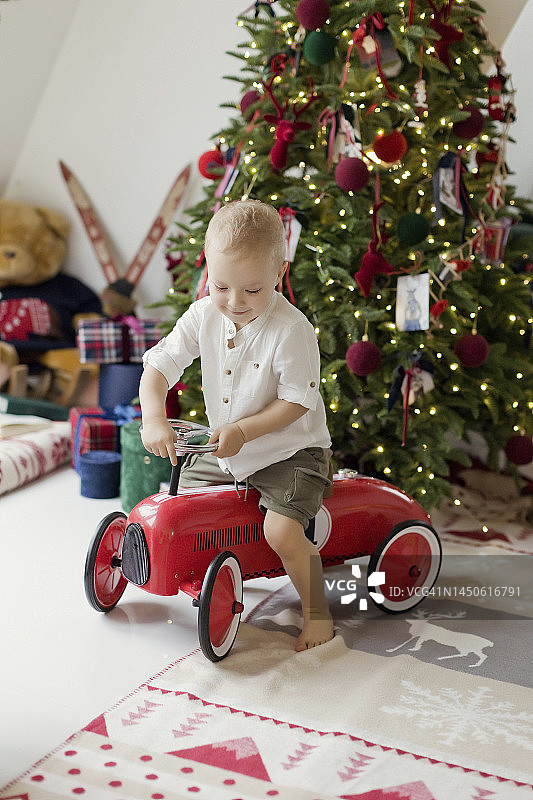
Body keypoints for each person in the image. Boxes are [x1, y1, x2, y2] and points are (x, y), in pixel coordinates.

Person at [139, 199, 334, 651]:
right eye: (221, 285)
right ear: (208, 268)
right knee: (182, 504)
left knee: (281, 531)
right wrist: (153, 417)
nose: (234, 302)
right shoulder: (204, 313)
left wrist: (244, 431)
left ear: (279, 274)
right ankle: (206, 574)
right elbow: (158, 367)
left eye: (252, 290)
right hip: (228, 450)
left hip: (290, 452)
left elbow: (296, 402)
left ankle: (318, 613)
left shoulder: (291, 329)